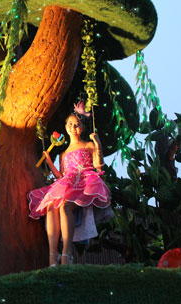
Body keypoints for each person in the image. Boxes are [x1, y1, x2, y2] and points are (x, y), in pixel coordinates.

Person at [28, 102, 112, 266]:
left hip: (84, 182)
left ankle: (67, 253)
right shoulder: (63, 153)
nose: (74, 127)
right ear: (66, 127)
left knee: (65, 206)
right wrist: (50, 162)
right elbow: (61, 176)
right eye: (70, 124)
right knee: (51, 207)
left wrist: (98, 145)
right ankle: (53, 256)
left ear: (82, 127)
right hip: (67, 183)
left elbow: (99, 166)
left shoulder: (88, 145)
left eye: (77, 124)